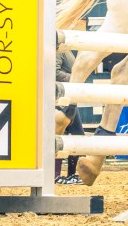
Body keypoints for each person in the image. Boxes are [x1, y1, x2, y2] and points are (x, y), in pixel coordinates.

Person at [55, 49, 85, 185]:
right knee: (61, 135)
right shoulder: (59, 50)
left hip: (70, 98)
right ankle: (56, 174)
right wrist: (76, 79)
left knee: (77, 135)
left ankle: (71, 174)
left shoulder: (68, 51)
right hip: (61, 98)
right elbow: (54, 72)